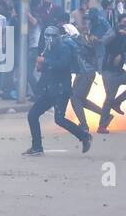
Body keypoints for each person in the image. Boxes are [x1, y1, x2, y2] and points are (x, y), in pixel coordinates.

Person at [25, 24, 91, 156]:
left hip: (61, 89)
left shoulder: (64, 48)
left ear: (57, 37)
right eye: (47, 36)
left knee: (59, 119)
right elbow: (47, 70)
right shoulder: (47, 49)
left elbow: (63, 65)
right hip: (49, 89)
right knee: (32, 115)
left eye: (52, 36)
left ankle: (84, 136)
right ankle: (37, 147)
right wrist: (41, 67)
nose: (49, 38)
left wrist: (46, 61)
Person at [98, 14, 126, 134]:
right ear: (118, 22)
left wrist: (122, 55)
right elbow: (103, 42)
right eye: (123, 22)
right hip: (108, 71)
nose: (125, 24)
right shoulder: (112, 31)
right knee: (109, 98)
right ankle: (102, 126)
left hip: (119, 71)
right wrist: (117, 33)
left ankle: (117, 102)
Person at [65, 22, 103, 130]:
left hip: (85, 73)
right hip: (86, 72)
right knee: (81, 99)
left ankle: (84, 125)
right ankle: (105, 115)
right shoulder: (82, 40)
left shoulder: (72, 41)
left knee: (75, 98)